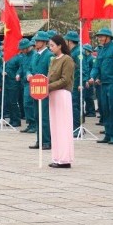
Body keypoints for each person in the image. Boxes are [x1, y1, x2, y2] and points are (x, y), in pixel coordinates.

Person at [47, 35, 75, 168]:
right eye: (50, 45)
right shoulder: (53, 60)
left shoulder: (67, 59)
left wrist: (48, 86)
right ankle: (57, 157)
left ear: (60, 45)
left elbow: (65, 80)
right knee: (55, 127)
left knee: (63, 126)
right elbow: (49, 77)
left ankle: (65, 159)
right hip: (53, 94)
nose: (51, 48)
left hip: (62, 94)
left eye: (52, 45)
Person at [27, 32, 52, 150]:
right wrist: (28, 74)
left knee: (44, 116)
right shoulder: (35, 55)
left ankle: (47, 141)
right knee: (37, 115)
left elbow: (51, 73)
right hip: (35, 89)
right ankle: (39, 140)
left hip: (44, 89)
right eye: (35, 41)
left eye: (38, 41)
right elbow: (29, 69)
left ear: (44, 42)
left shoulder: (49, 55)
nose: (36, 43)